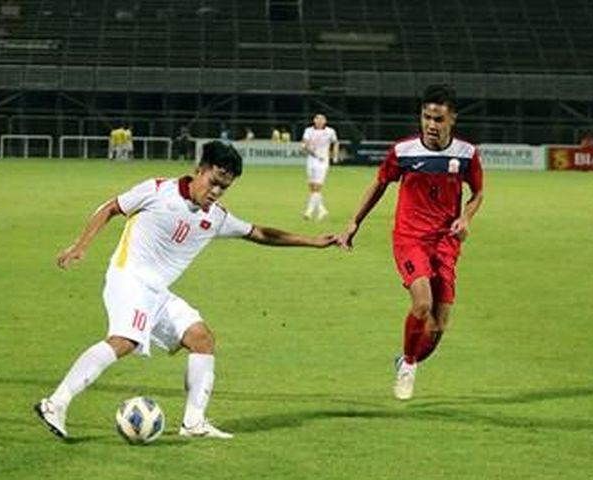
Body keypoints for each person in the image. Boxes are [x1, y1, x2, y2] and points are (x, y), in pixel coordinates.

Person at [35, 141, 337, 440]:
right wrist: (81, 245)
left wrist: (312, 241)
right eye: (214, 182)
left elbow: (259, 233)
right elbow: (111, 208)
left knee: (201, 338)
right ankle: (55, 403)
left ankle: (193, 423)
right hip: (128, 277)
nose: (217, 191)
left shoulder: (215, 217)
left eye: (224, 187)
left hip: (157, 292)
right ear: (199, 170)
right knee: (124, 340)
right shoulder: (157, 190)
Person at [337, 85, 484, 401]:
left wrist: (466, 217)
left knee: (438, 327)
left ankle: (405, 358)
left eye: (439, 119)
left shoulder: (467, 154)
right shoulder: (403, 152)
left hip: (445, 243)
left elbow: (478, 193)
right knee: (422, 304)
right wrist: (354, 222)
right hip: (410, 238)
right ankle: (409, 367)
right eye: (427, 117)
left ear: (452, 119)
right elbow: (379, 185)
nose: (431, 125)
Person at [301, 113, 339, 220]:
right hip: (311, 160)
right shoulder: (308, 131)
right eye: (317, 118)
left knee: (317, 187)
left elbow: (335, 143)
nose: (319, 121)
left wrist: (334, 156)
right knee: (312, 188)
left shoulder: (330, 131)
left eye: (322, 119)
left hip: (322, 162)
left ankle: (309, 211)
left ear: (325, 121)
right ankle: (322, 210)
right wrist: (310, 151)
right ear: (314, 120)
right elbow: (304, 145)